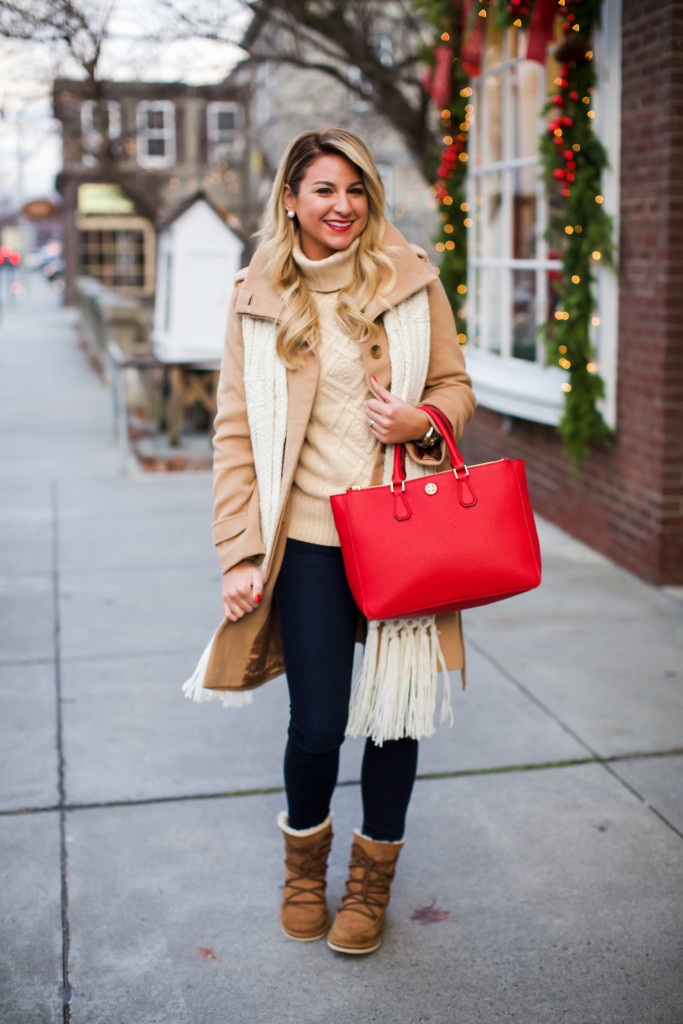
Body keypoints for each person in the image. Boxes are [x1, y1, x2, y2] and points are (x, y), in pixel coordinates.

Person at [187, 127, 476, 955]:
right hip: (311, 540)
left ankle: (369, 883)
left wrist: (419, 419)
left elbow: (455, 386)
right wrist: (238, 551)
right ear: (291, 198)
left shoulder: (411, 281)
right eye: (323, 189)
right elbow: (235, 435)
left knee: (393, 721)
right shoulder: (257, 296)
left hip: (403, 534)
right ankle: (304, 870)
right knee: (315, 723)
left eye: (354, 189)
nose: (341, 206)